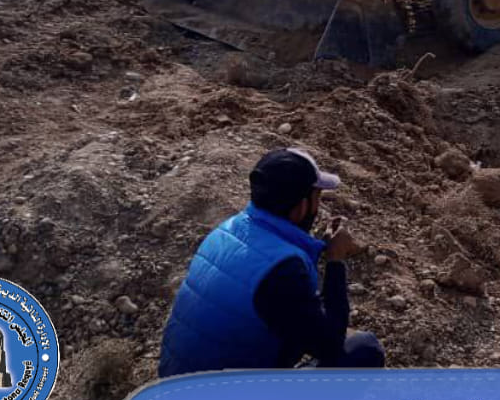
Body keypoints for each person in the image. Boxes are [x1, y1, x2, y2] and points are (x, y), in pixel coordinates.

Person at [158, 147, 384, 377]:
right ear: (301, 207)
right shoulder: (281, 271)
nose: (318, 207)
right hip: (222, 398)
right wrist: (336, 260)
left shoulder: (226, 230)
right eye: (317, 197)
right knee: (363, 349)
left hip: (174, 384)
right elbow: (330, 344)